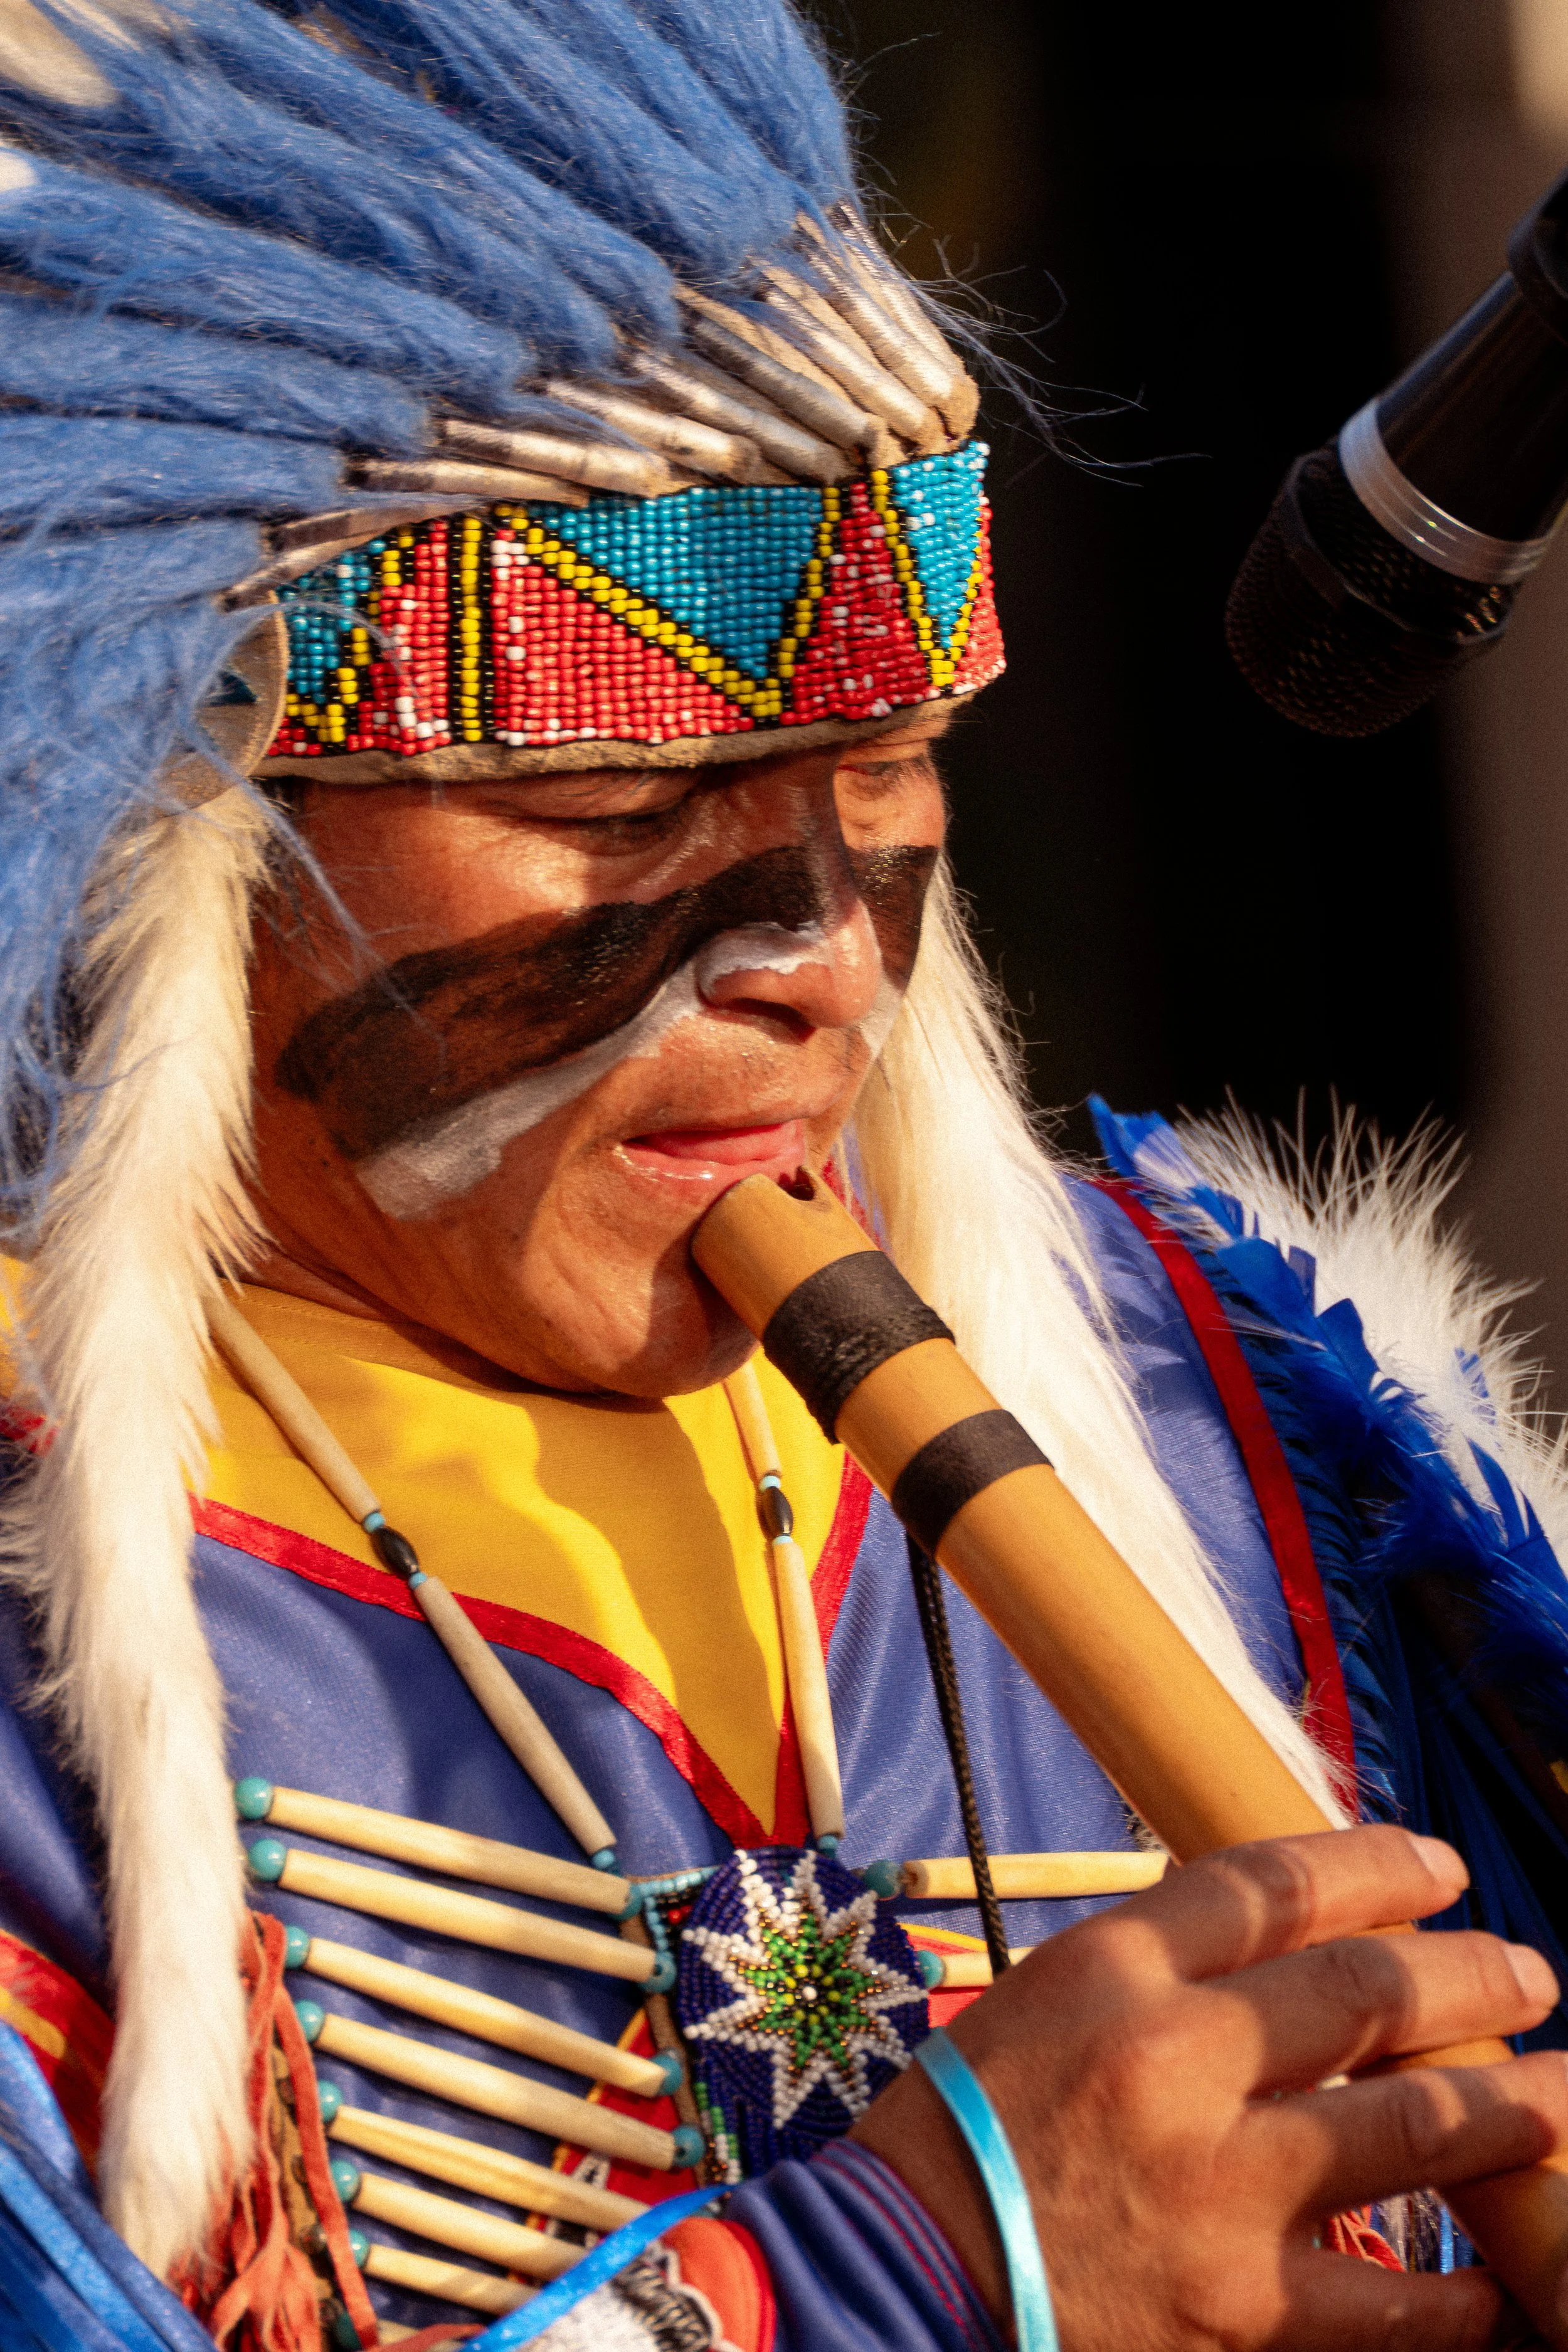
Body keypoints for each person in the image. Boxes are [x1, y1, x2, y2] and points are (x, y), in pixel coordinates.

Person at [1, 3, 1567, 2348]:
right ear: (176, 835)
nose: (819, 961)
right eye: (620, 815)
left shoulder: (1244, 1431)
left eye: (888, 771)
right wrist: (907, 2270)